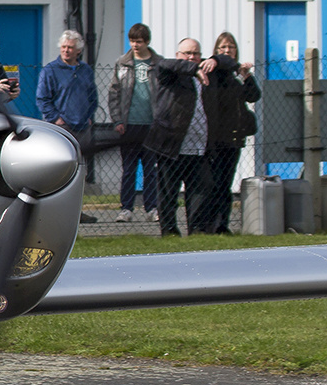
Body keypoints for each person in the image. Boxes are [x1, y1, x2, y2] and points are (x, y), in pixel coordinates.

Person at [146, 37, 231, 236]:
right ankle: (169, 231)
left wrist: (216, 60)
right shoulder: (170, 75)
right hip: (171, 145)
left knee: (200, 190)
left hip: (199, 146)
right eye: (187, 53)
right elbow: (163, 64)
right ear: (178, 55)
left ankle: (197, 229)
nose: (192, 57)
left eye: (195, 54)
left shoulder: (210, 74)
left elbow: (232, 64)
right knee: (168, 192)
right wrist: (193, 69)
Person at [198, 32, 260, 234]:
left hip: (232, 139)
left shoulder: (235, 77)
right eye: (223, 47)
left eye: (230, 47)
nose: (227, 51)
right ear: (216, 51)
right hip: (212, 139)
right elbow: (222, 63)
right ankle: (206, 224)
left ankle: (221, 225)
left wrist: (246, 76)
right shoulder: (211, 73)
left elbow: (253, 96)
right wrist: (216, 61)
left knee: (225, 184)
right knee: (211, 183)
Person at [36, 30, 99, 223]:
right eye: (63, 47)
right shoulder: (50, 70)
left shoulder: (85, 70)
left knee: (81, 171)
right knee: (61, 171)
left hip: (82, 127)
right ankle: (57, 211)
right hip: (61, 129)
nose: (66, 51)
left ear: (78, 50)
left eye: (70, 47)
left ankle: (77, 211)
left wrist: (89, 116)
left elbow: (93, 97)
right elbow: (42, 99)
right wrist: (55, 118)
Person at [108, 23, 161, 222]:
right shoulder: (122, 63)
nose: (135, 45)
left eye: (139, 41)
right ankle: (126, 208)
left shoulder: (158, 64)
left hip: (152, 125)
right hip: (129, 125)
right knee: (129, 169)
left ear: (147, 41)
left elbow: (163, 94)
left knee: (151, 169)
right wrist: (117, 120)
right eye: (132, 41)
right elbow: (114, 93)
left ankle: (152, 208)